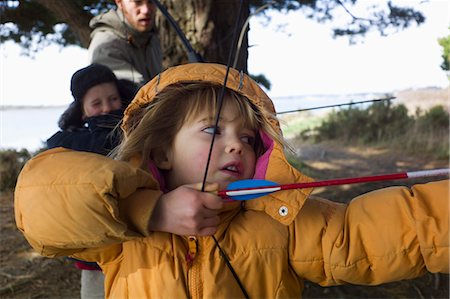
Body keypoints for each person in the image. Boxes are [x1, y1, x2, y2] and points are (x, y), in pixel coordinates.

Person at [15, 63, 449, 298]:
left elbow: (378, 234)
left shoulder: (280, 219)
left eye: (247, 137)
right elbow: (40, 205)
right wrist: (149, 210)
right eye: (211, 130)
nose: (236, 146)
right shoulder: (123, 232)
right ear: (162, 151)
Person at [46, 63, 137, 299]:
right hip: (95, 251)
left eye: (113, 99)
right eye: (96, 103)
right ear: (83, 112)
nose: (107, 108)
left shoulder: (139, 131)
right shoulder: (72, 142)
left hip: (137, 244)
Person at [88, 0, 163, 87]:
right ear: (120, 3)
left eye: (151, 1)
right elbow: (135, 96)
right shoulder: (106, 45)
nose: (145, 10)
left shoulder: (152, 38)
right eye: (137, 2)